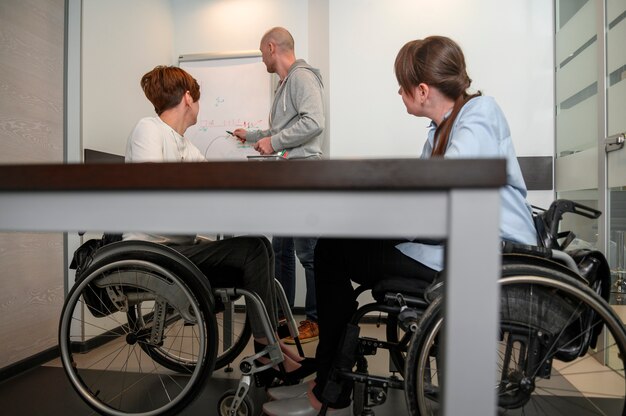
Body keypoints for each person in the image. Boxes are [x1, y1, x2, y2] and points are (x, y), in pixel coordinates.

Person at [262, 36, 538, 416]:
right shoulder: (441, 129)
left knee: (331, 254)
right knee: (333, 246)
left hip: (482, 256)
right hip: (450, 244)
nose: (399, 92)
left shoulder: (480, 113)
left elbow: (445, 185)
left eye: (402, 85)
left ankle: (329, 387)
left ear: (422, 90)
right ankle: (327, 380)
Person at [124, 65, 313, 378]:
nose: (199, 105)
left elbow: (214, 186)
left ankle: (270, 344)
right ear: (188, 98)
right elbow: (153, 196)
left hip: (177, 246)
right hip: (154, 249)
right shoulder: (149, 130)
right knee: (253, 249)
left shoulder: (186, 145)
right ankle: (267, 348)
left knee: (260, 246)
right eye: (197, 99)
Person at [233, 27, 325, 344]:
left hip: (302, 175)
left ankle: (315, 320)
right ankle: (284, 321)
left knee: (308, 252)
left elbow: (314, 122)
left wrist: (274, 143)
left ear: (272, 48)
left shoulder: (301, 77)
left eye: (262, 54)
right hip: (287, 174)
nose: (262, 61)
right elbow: (281, 133)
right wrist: (255, 137)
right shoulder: (284, 85)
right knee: (281, 251)